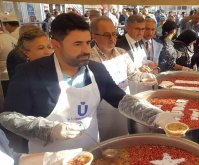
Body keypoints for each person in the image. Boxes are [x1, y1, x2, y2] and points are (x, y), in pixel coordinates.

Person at [3, 13, 180, 153]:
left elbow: (122, 100)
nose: (86, 50)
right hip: (49, 157)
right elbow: (8, 118)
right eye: (77, 44)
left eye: (88, 43)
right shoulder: (30, 73)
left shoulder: (96, 69)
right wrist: (50, 130)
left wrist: (157, 116)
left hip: (91, 153)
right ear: (56, 45)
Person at [0, 112, 84, 165]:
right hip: (40, 148)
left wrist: (51, 159)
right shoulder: (25, 84)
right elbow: (7, 118)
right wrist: (50, 129)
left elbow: (13, 159)